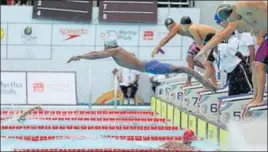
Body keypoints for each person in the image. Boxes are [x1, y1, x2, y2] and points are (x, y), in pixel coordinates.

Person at [67, 36, 217, 93]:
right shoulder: (117, 50)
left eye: (104, 47)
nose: (104, 49)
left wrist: (80, 56)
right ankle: (209, 81)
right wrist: (82, 56)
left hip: (149, 66)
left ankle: (209, 83)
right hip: (148, 65)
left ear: (107, 46)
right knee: (182, 69)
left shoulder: (114, 51)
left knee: (183, 68)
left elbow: (97, 55)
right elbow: (96, 52)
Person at [197, 1, 267, 108]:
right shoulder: (240, 18)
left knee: (258, 65)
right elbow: (219, 35)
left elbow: (219, 37)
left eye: (227, 19)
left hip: (252, 52)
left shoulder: (240, 10)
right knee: (255, 66)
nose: (228, 22)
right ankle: (256, 97)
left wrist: (203, 50)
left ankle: (259, 99)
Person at [151, 18, 204, 87]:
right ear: (168, 28)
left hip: (201, 39)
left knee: (189, 58)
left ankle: (189, 81)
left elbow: (167, 39)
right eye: (170, 27)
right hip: (201, 38)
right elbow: (166, 38)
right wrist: (159, 47)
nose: (172, 27)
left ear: (174, 23)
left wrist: (157, 48)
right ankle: (209, 70)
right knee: (191, 60)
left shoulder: (176, 27)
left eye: (172, 25)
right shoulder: (175, 27)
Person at [180, 16, 219, 89]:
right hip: (215, 40)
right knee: (208, 64)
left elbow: (200, 43)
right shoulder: (195, 26)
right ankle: (214, 84)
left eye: (182, 26)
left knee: (207, 63)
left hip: (216, 40)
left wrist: (205, 55)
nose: (182, 28)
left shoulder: (191, 28)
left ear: (185, 25)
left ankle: (207, 85)